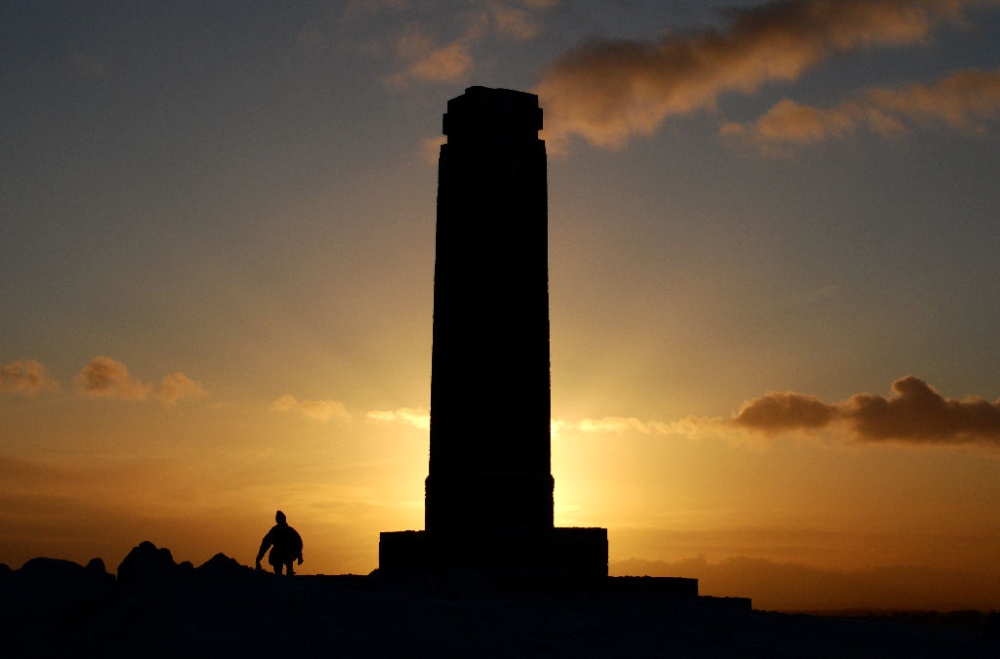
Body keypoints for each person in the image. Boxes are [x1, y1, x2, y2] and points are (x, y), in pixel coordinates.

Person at [255, 510, 303, 575]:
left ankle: (288, 571)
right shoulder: (276, 531)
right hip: (278, 554)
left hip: (287, 554)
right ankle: (285, 572)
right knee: (279, 563)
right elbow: (265, 544)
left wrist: (299, 556)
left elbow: (298, 544)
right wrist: (259, 558)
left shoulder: (288, 531)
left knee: (286, 557)